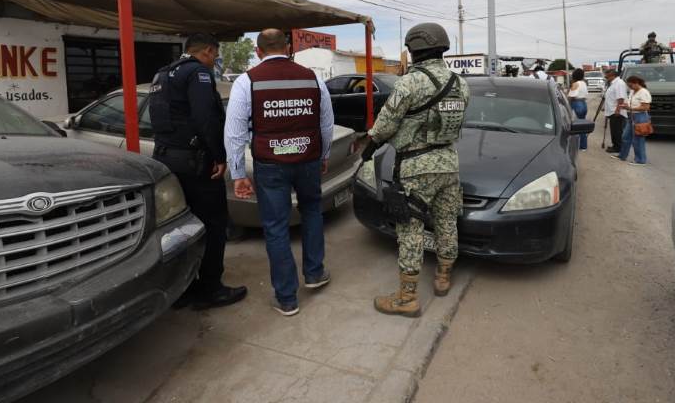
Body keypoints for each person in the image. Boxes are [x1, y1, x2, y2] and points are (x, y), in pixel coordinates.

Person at [361, 22, 470, 318]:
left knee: (410, 228)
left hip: (416, 166)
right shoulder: (460, 83)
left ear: (415, 49)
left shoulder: (410, 82)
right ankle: (444, 276)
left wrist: (368, 146)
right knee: (447, 221)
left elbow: (386, 122)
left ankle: (407, 297)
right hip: (448, 162)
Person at [224, 28, 334, 316]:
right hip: (308, 161)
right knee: (312, 212)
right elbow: (326, 125)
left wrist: (237, 174)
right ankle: (314, 273)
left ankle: (287, 298)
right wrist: (323, 155)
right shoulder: (313, 79)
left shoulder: (246, 81)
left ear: (259, 51)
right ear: (288, 48)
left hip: (270, 165)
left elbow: (234, 133)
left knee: (275, 227)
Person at [149, 34, 247, 310]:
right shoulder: (198, 74)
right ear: (207, 50)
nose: (215, 60)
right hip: (196, 161)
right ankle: (211, 289)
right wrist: (219, 155)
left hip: (168, 158)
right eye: (215, 54)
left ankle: (185, 286)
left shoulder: (162, 75)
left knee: (181, 226)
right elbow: (206, 118)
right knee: (214, 224)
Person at [617, 75, 651, 165]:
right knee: (625, 137)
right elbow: (630, 103)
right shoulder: (632, 91)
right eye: (629, 86)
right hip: (632, 116)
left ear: (636, 83)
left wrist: (630, 108)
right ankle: (622, 155)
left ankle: (640, 160)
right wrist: (625, 106)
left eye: (631, 85)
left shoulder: (643, 92)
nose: (630, 87)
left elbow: (645, 107)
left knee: (638, 139)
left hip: (640, 117)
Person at [603, 68, 628, 153]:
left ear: (612, 75)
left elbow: (620, 98)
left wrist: (618, 110)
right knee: (614, 130)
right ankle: (615, 146)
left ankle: (618, 148)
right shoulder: (613, 83)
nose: (606, 77)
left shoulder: (619, 83)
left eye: (607, 75)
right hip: (612, 111)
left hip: (616, 112)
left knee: (617, 131)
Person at [567, 68, 589, 150]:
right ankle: (583, 146)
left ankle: (575, 145)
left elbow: (570, 96)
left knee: (574, 126)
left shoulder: (575, 84)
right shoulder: (584, 83)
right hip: (583, 104)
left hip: (576, 104)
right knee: (582, 125)